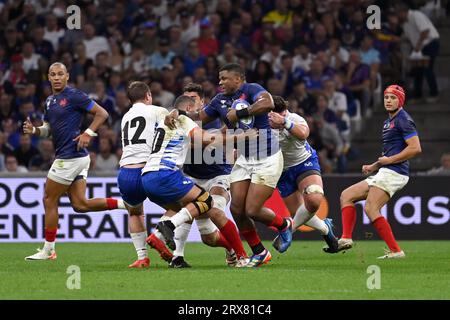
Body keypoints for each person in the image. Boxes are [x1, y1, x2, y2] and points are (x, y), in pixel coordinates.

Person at [165, 63, 292, 267]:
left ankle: (284, 225)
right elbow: (200, 116)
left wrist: (242, 113)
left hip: (267, 156)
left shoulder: (252, 89)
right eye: (219, 78)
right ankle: (259, 252)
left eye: (224, 78)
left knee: (251, 210)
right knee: (236, 209)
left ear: (238, 79)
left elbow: (267, 103)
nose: (220, 82)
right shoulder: (219, 100)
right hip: (244, 158)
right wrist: (178, 114)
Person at [23, 62, 125, 261]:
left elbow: (102, 113)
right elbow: (48, 130)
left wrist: (88, 132)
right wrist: (34, 131)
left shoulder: (74, 95)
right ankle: (125, 204)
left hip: (69, 156)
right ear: (49, 77)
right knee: (80, 205)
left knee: (49, 199)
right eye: (53, 74)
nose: (57, 77)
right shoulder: (50, 101)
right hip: (77, 157)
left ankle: (49, 250)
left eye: (61, 74)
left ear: (67, 76)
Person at [145, 95, 251, 268]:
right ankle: (166, 231)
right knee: (205, 203)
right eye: (193, 109)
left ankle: (171, 247)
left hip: (152, 177)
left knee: (192, 212)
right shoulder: (184, 119)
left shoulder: (169, 122)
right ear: (187, 108)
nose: (197, 113)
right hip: (173, 174)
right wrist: (242, 136)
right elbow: (207, 140)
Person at [333, 85, 421, 259]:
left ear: (400, 100)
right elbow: (389, 154)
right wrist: (375, 166)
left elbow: (415, 148)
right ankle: (346, 238)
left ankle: (396, 251)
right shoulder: (388, 121)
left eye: (393, 97)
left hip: (396, 172)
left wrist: (388, 161)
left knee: (371, 208)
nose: (388, 100)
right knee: (347, 195)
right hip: (387, 170)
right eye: (386, 97)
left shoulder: (404, 119)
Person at [268, 96, 338, 253]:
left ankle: (288, 230)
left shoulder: (293, 118)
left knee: (314, 200)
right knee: (300, 213)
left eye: (283, 114)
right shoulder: (264, 125)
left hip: (304, 163)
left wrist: (285, 122)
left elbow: (304, 133)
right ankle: (325, 229)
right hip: (282, 171)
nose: (280, 118)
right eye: (276, 117)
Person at [117, 81, 170, 268]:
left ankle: (142, 258)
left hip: (125, 172)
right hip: (148, 170)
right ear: (148, 95)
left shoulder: (126, 117)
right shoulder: (156, 110)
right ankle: (159, 235)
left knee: (135, 213)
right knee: (181, 206)